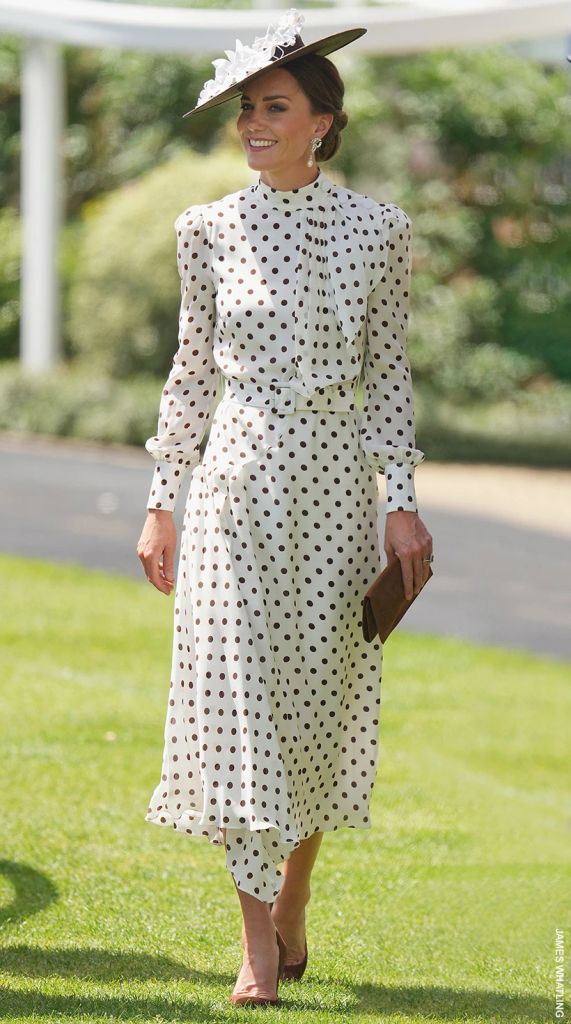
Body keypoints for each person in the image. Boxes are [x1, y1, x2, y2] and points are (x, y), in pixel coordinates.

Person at [137, 8, 433, 1008]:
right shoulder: (204, 229)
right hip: (233, 490)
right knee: (240, 712)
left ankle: (294, 896)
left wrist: (402, 506)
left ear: (323, 119)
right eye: (244, 111)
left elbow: (386, 378)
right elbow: (187, 379)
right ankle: (256, 944)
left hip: (334, 491)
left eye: (273, 107)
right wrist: (160, 503)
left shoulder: (380, 230)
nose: (253, 124)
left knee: (313, 709)